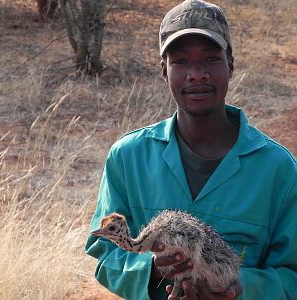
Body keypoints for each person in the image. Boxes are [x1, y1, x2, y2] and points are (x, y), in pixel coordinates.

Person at [85, 0, 297, 299]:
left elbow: (292, 275)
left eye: (211, 59)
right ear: (164, 70)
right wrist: (152, 270)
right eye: (181, 61)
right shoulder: (128, 158)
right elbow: (104, 255)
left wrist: (240, 289)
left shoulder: (278, 168)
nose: (197, 74)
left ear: (230, 64)